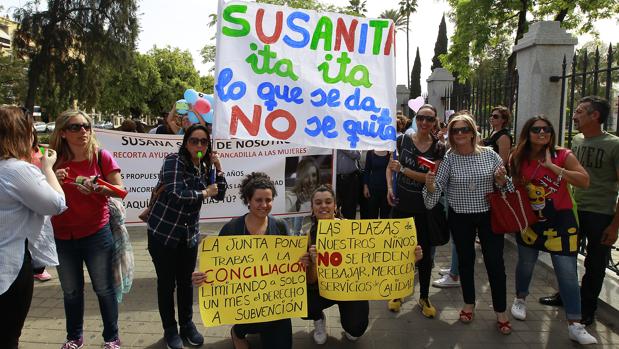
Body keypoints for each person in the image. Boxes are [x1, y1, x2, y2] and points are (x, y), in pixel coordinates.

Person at [508, 116, 597, 344]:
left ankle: (575, 324)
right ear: (527, 133)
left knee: (567, 272)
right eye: (536, 129)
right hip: (531, 221)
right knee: (526, 264)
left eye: (546, 129)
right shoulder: (518, 156)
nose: (542, 133)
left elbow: (584, 181)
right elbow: (514, 187)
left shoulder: (562, 155)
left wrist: (552, 167)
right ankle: (520, 298)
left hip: (562, 221)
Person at [424, 112, 513, 335]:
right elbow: (431, 200)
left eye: (465, 129)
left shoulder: (490, 155)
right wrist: (431, 185)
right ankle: (469, 304)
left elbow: (508, 189)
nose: (460, 134)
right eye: (455, 130)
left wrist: (502, 181)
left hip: (488, 217)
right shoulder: (449, 159)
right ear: (451, 135)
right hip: (460, 217)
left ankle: (501, 311)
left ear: (473, 132)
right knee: (465, 261)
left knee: (495, 263)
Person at [303, 184, 423, 345]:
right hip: (322, 290)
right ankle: (318, 319)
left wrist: (409, 259)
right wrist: (312, 262)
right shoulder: (308, 235)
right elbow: (310, 281)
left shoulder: (354, 230)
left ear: (336, 206)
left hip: (352, 290)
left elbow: (381, 259)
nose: (323, 206)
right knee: (304, 302)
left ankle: (350, 321)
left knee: (356, 330)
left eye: (328, 202)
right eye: (318, 203)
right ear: (312, 208)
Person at [50, 110, 125, 349]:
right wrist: (51, 176)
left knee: (104, 288)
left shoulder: (102, 156)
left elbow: (120, 190)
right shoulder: (52, 162)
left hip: (96, 233)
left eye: (86, 126)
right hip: (62, 235)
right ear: (62, 133)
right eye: (75, 127)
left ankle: (111, 338)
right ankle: (74, 338)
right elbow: (39, 192)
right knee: (71, 291)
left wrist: (99, 189)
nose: (82, 131)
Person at [539, 97, 619, 323]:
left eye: (580, 112)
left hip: (601, 213)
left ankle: (587, 310)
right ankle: (566, 296)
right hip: (573, 209)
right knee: (566, 256)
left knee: (595, 263)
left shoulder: (614, 145)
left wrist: (614, 226)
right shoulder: (577, 140)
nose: (574, 115)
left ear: (595, 116)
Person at [192, 172, 293, 349]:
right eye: (258, 200)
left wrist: (304, 261)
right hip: (245, 302)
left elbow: (292, 263)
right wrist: (202, 277)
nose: (264, 205)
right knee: (257, 320)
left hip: (275, 302)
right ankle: (238, 331)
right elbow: (217, 267)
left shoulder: (281, 226)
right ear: (248, 200)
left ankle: (259, 328)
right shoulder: (232, 228)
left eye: (268, 200)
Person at [147, 124, 220, 349]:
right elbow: (177, 193)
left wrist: (219, 167)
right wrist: (205, 192)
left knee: (187, 282)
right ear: (185, 142)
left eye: (203, 142)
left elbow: (220, 194)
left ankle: (187, 325)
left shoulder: (206, 165)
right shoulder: (174, 161)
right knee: (166, 285)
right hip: (164, 233)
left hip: (188, 235)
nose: (198, 145)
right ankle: (170, 329)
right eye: (194, 141)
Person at [0, 106, 66, 349]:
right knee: (8, 337)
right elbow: (56, 203)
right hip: (9, 268)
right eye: (31, 132)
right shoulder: (16, 170)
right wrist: (48, 169)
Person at [386, 104, 446, 315]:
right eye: (421, 117)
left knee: (426, 255)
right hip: (402, 205)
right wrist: (389, 188)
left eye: (429, 119)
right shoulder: (402, 140)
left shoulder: (438, 147)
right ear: (415, 118)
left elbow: (431, 177)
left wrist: (404, 170)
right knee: (400, 251)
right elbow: (390, 166)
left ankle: (424, 297)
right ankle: (398, 292)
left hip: (425, 208)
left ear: (434, 122)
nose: (424, 123)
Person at [285, 157, 321, 234]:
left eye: (314, 175)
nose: (311, 180)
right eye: (306, 176)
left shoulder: (322, 195)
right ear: (300, 177)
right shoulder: (290, 196)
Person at [363, 150, 390, 219]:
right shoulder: (370, 152)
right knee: (372, 214)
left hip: (386, 188)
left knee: (385, 215)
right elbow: (367, 170)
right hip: (373, 188)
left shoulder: (390, 153)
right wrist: (365, 186)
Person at [336, 150, 361, 219]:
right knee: (333, 207)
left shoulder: (354, 140)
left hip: (351, 179)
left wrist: (344, 148)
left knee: (350, 208)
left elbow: (358, 155)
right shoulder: (332, 140)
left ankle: (349, 228)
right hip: (335, 179)